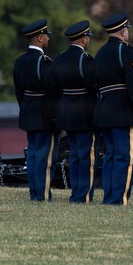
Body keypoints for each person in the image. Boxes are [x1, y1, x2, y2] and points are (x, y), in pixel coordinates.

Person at [93, 13, 133, 206]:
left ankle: (109, 198)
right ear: (123, 31)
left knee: (110, 156)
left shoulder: (100, 53)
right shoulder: (126, 51)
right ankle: (119, 199)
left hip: (104, 111)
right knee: (125, 157)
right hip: (123, 112)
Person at [12, 19, 59, 201]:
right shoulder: (44, 62)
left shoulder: (20, 61)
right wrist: (56, 119)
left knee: (32, 155)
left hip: (29, 113)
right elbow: (53, 93)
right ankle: (43, 195)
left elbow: (18, 91)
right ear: (40, 38)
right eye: (46, 35)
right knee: (45, 159)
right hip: (44, 115)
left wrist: (25, 108)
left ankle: (35, 193)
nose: (48, 38)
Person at [53, 20, 99, 203]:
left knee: (73, 155)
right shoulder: (86, 60)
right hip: (84, 112)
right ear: (83, 39)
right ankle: (84, 195)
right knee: (86, 155)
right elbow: (93, 89)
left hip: (66, 112)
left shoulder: (59, 59)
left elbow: (55, 88)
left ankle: (75, 194)